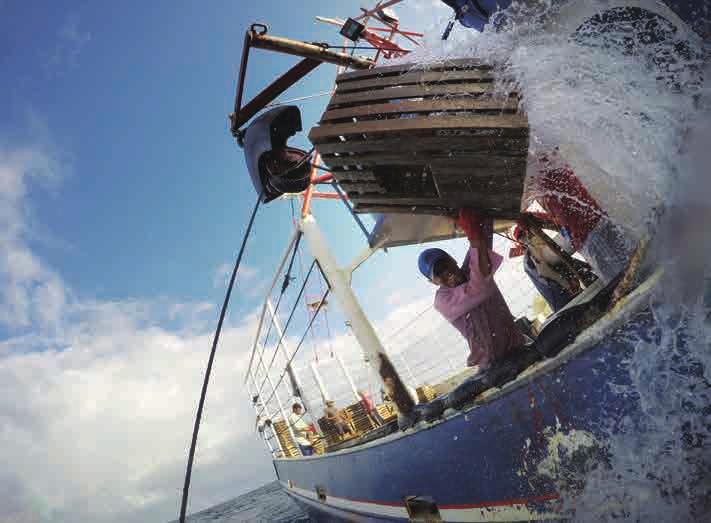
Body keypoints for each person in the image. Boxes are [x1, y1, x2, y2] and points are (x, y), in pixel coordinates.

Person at [419, 208, 525, 371]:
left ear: (453, 260)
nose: (445, 272)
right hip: (493, 366)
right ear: (433, 282)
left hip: (519, 347)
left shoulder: (473, 267)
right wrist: (473, 233)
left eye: (445, 264)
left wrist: (475, 217)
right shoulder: (442, 301)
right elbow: (480, 287)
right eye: (438, 273)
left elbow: (482, 240)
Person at [532, 153, 633, 284]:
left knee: (626, 282)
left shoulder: (536, 162)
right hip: (594, 228)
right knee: (631, 274)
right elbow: (566, 210)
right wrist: (541, 219)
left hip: (592, 236)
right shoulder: (543, 162)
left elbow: (569, 209)